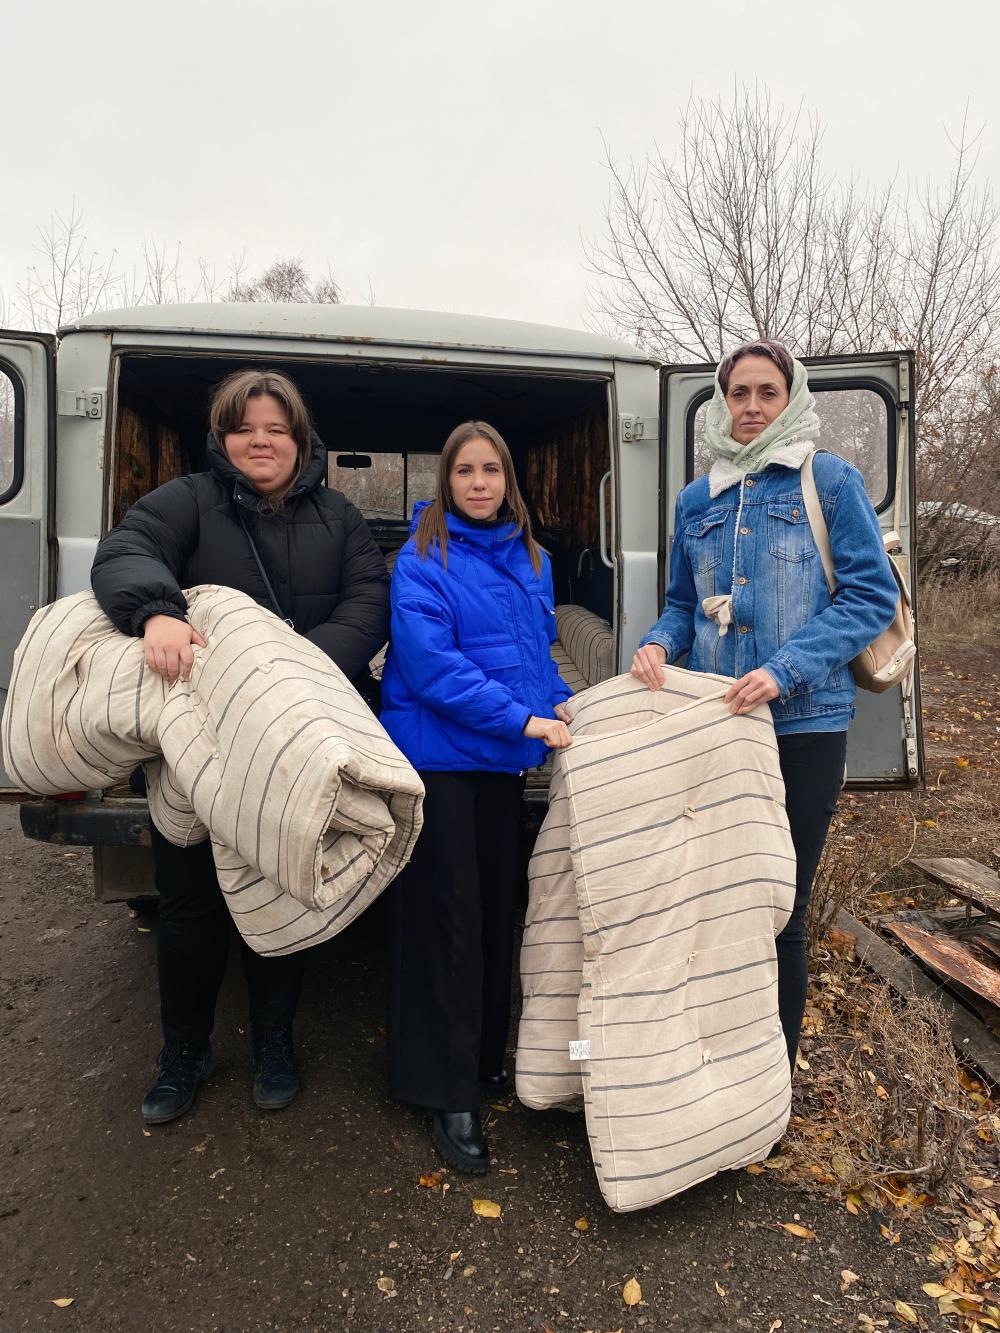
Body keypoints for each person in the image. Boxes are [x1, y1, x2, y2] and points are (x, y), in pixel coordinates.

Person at [91, 368, 389, 1125]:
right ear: (223, 438)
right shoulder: (188, 501)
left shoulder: (342, 519)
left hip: (295, 733)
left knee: (279, 888)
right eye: (245, 427)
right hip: (199, 741)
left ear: (301, 440)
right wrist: (156, 611)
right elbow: (128, 551)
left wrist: (290, 677)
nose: (262, 440)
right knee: (189, 905)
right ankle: (183, 1051)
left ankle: (274, 1043)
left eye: (277, 428)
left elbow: (367, 604)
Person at [630, 339, 898, 1070]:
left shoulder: (830, 483)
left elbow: (870, 598)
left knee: (781, 904)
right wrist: (657, 642)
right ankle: (714, 1053)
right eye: (738, 393)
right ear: (722, 402)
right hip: (716, 726)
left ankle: (770, 1073)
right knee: (714, 894)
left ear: (791, 397)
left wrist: (786, 668)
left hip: (804, 725)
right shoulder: (698, 498)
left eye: (766, 392)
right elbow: (684, 605)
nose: (750, 406)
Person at [380, 420, 573, 1173]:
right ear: (447, 481)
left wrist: (560, 703)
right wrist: (523, 719)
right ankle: (442, 1088)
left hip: (498, 761)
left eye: (493, 469)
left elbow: (537, 658)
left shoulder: (532, 558)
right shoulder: (422, 559)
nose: (480, 482)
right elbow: (433, 670)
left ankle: (485, 1061)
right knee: (447, 923)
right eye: (466, 470)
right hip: (441, 761)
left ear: (508, 480)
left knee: (497, 912)